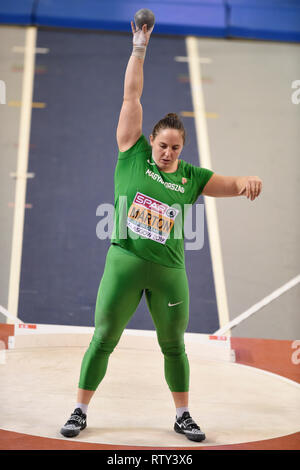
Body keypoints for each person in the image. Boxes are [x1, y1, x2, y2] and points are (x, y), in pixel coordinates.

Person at [60, 21, 263, 442]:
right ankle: (79, 410)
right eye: (163, 145)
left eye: (175, 148)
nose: (168, 152)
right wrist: (139, 48)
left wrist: (246, 181)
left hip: (169, 271)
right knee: (103, 339)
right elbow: (131, 95)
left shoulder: (189, 176)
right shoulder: (131, 151)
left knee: (174, 347)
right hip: (126, 262)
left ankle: (183, 415)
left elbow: (228, 184)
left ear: (182, 150)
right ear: (149, 141)